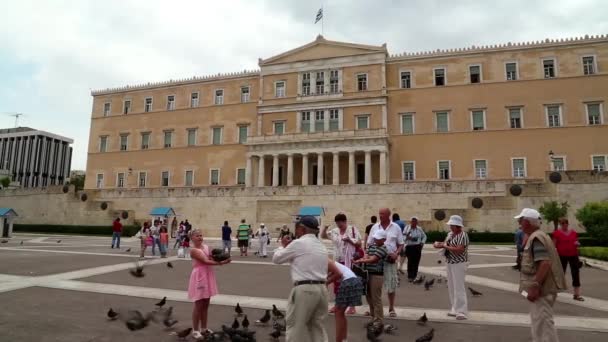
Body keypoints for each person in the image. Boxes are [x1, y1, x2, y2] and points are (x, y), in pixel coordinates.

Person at [272, 216, 329, 342]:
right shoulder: (321, 246)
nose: (295, 231)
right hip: (322, 289)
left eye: (297, 228)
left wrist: (283, 246)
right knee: (316, 326)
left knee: (294, 326)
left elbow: (277, 259)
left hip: (305, 289)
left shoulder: (299, 243)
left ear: (302, 229)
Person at [515, 208, 567, 342]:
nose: (519, 224)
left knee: (543, 325)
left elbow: (544, 263)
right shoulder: (539, 235)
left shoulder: (536, 237)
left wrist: (535, 286)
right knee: (541, 323)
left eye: (520, 221)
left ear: (527, 222)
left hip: (542, 290)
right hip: (544, 289)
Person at [188, 228, 231, 339]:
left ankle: (204, 328)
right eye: (197, 236)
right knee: (198, 304)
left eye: (201, 235)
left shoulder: (206, 247)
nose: (200, 237)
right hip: (199, 276)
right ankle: (195, 330)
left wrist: (221, 256)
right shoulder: (193, 250)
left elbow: (211, 257)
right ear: (192, 238)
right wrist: (222, 262)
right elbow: (205, 261)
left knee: (206, 302)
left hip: (207, 274)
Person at [321, 213, 362, 314]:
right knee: (337, 284)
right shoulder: (335, 231)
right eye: (337, 223)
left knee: (350, 283)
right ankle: (337, 305)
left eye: (341, 223)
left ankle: (352, 306)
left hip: (350, 260)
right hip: (338, 260)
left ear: (345, 221)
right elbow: (323, 236)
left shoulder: (352, 230)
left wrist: (349, 240)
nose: (339, 225)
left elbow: (359, 243)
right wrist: (325, 229)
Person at [366, 208, 404, 318]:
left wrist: (396, 253)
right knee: (373, 286)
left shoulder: (396, 227)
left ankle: (391, 308)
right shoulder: (374, 227)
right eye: (379, 214)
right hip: (376, 260)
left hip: (390, 260)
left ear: (388, 215)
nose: (380, 215)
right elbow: (369, 243)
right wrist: (370, 255)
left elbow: (401, 244)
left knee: (391, 284)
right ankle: (373, 309)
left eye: (382, 214)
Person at [433, 215, 470, 320]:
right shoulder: (450, 234)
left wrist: (444, 246)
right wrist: (439, 244)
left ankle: (461, 311)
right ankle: (454, 307)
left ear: (457, 226)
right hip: (449, 262)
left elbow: (459, 250)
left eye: (452, 225)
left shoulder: (463, 235)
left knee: (459, 286)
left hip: (459, 263)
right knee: (451, 286)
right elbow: (446, 244)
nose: (450, 227)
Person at [354, 229, 388, 325]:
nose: (376, 240)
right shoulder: (372, 246)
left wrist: (360, 261)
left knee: (376, 298)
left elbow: (373, 259)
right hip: (367, 274)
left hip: (377, 275)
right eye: (375, 238)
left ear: (384, 239)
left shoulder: (383, 248)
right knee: (369, 297)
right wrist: (363, 259)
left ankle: (379, 320)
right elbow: (367, 257)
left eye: (378, 238)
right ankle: (373, 318)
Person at [327, 259, 363, 342]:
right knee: (340, 313)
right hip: (354, 281)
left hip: (348, 282)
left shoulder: (326, 262)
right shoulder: (331, 262)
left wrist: (326, 282)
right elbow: (332, 274)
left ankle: (339, 340)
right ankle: (344, 339)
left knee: (338, 313)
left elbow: (338, 274)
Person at [553, 217, 583, 301]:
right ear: (560, 224)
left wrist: (577, 243)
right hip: (561, 256)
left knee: (575, 273)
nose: (564, 225)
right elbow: (553, 245)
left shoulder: (573, 233)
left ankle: (576, 294)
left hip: (573, 255)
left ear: (568, 223)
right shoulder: (556, 233)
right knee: (560, 274)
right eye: (562, 223)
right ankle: (555, 292)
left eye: (565, 223)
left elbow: (576, 242)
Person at [401, 217, 427, 282]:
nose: (414, 223)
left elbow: (424, 236)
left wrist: (422, 243)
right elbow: (403, 237)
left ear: (417, 222)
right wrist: (408, 237)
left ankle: (415, 275)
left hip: (417, 247)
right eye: (413, 221)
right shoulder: (407, 228)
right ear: (410, 222)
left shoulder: (419, 229)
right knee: (410, 261)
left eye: (415, 222)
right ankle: (410, 276)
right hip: (409, 247)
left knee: (416, 261)